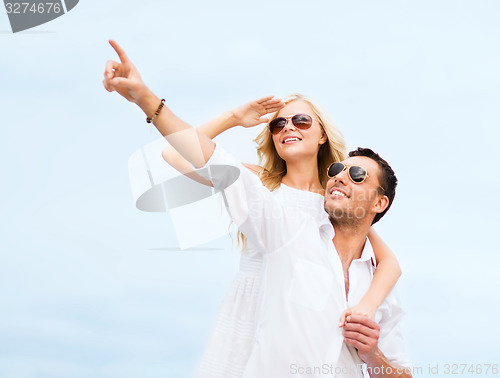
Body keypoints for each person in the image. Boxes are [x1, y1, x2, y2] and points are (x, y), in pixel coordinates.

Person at [102, 40, 409, 377]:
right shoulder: (261, 184)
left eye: (302, 120)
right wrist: (233, 117)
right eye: (277, 124)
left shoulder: (333, 202)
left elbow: (384, 260)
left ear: (322, 134)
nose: (288, 127)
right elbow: (177, 156)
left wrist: (365, 311)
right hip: (256, 312)